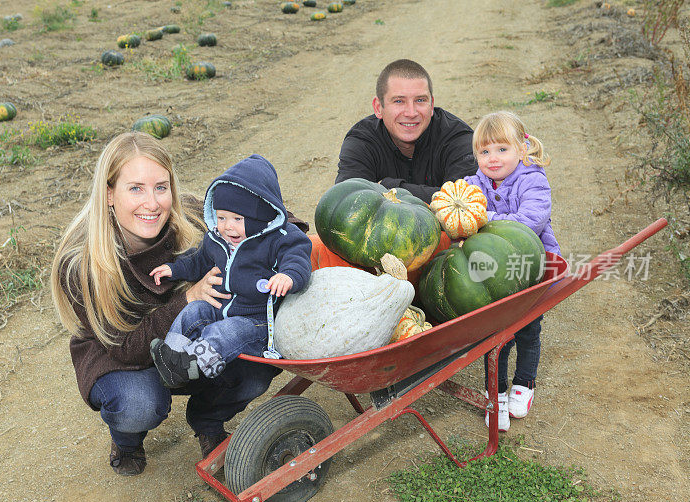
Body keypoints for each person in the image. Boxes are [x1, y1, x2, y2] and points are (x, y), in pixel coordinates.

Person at [50, 132, 283, 476]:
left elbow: (261, 221)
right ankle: (126, 440)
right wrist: (189, 298)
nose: (153, 202)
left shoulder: (190, 214)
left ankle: (209, 418)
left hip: (184, 344)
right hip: (121, 355)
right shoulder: (82, 265)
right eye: (136, 188)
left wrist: (289, 242)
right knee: (141, 404)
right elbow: (125, 348)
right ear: (109, 193)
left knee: (259, 357)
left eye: (161, 187)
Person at [149, 154, 312, 389]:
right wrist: (174, 269)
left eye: (237, 218)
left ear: (261, 216)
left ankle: (194, 364)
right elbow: (198, 261)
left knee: (224, 331)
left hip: (258, 323)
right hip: (223, 307)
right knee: (193, 310)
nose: (227, 226)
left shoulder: (280, 239)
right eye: (222, 217)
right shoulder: (217, 238)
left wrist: (288, 276)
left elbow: (297, 259)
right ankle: (172, 359)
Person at [462, 110, 560, 432]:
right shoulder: (473, 184)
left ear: (522, 148)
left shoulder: (533, 180)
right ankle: (497, 393)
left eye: (502, 149)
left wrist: (482, 217)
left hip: (531, 267)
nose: (492, 158)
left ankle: (524, 383)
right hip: (492, 274)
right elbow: (457, 205)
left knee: (528, 330)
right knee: (495, 335)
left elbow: (532, 221)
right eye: (484, 151)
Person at [335, 58, 478, 203]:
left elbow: (464, 203)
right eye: (399, 101)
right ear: (378, 107)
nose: (411, 113)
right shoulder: (362, 141)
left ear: (432, 104)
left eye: (420, 100)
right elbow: (346, 200)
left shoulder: (458, 139)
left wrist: (388, 188)